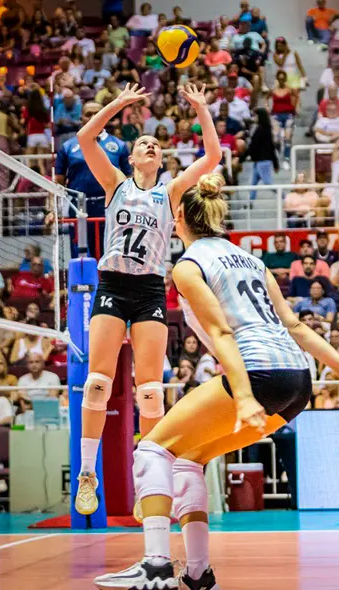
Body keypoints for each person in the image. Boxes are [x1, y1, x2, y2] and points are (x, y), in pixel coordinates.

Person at [93, 174, 339, 590]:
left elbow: (224, 333)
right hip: (298, 381)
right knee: (188, 458)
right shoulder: (252, 260)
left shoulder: (189, 266)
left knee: (153, 449)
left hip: (257, 373)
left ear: (178, 219)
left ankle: (155, 567)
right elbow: (296, 325)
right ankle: (196, 572)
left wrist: (243, 396)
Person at [72, 83, 223, 518]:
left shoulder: (170, 191)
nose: (151, 145)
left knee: (152, 393)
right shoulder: (115, 183)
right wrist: (117, 103)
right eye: (143, 143)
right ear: (133, 157)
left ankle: (150, 483)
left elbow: (212, 158)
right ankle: (87, 474)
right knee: (99, 382)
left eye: (156, 143)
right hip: (113, 285)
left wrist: (200, 109)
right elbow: (86, 139)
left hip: (149, 290)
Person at [51, 101, 132, 256]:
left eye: (97, 113)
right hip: (78, 207)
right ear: (81, 118)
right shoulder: (68, 146)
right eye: (88, 114)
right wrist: (53, 209)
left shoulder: (119, 145)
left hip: (109, 206)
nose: (93, 117)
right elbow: (58, 182)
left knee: (109, 254)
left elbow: (129, 179)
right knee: (80, 255)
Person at [244, 108, 279, 201]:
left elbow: (254, 145)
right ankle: (249, 203)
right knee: (253, 183)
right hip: (258, 161)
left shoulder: (261, 129)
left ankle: (284, 196)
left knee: (268, 182)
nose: (254, 117)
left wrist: (242, 158)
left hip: (263, 161)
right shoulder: (264, 129)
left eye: (255, 115)